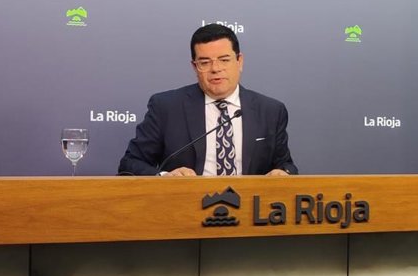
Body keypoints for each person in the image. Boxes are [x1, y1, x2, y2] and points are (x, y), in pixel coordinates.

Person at [118, 24, 298, 176]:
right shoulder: (166, 107)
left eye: (224, 60)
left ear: (239, 61)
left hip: (248, 204)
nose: (215, 69)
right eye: (205, 62)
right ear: (194, 67)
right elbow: (130, 164)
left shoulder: (270, 111)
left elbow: (286, 165)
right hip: (184, 202)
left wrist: (282, 172)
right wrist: (165, 177)